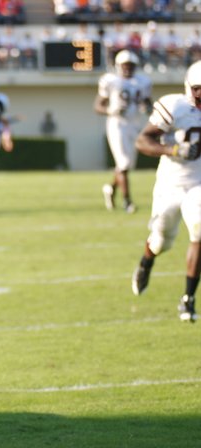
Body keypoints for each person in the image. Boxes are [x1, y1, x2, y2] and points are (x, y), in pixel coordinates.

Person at [131, 61, 201, 323]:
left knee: (199, 231)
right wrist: (173, 150)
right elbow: (142, 140)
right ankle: (146, 261)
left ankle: (188, 299)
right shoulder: (176, 106)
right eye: (199, 89)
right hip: (170, 183)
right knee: (161, 240)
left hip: (199, 182)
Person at [94, 49, 153, 214]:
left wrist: (147, 108)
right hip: (116, 124)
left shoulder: (143, 81)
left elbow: (148, 103)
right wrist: (110, 111)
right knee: (124, 163)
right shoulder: (110, 80)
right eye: (125, 65)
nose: (128, 68)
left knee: (125, 165)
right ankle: (128, 201)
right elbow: (98, 106)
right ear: (118, 65)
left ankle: (111, 189)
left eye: (131, 65)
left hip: (134, 124)